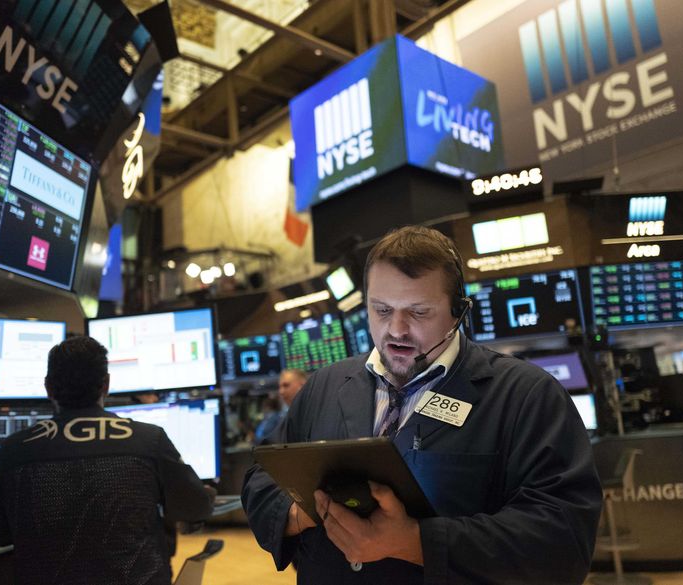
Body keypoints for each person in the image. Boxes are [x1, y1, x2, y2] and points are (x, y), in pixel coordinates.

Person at [242, 226, 602, 584]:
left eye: (419, 312)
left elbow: (562, 539)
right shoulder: (324, 386)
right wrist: (306, 510)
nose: (396, 330)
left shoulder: (526, 396)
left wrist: (416, 542)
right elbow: (261, 477)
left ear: (459, 310)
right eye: (381, 310)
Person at [0, 336, 214, 585]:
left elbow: (1, 535)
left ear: (48, 387)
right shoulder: (148, 440)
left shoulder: (15, 450)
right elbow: (196, 507)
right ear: (105, 384)